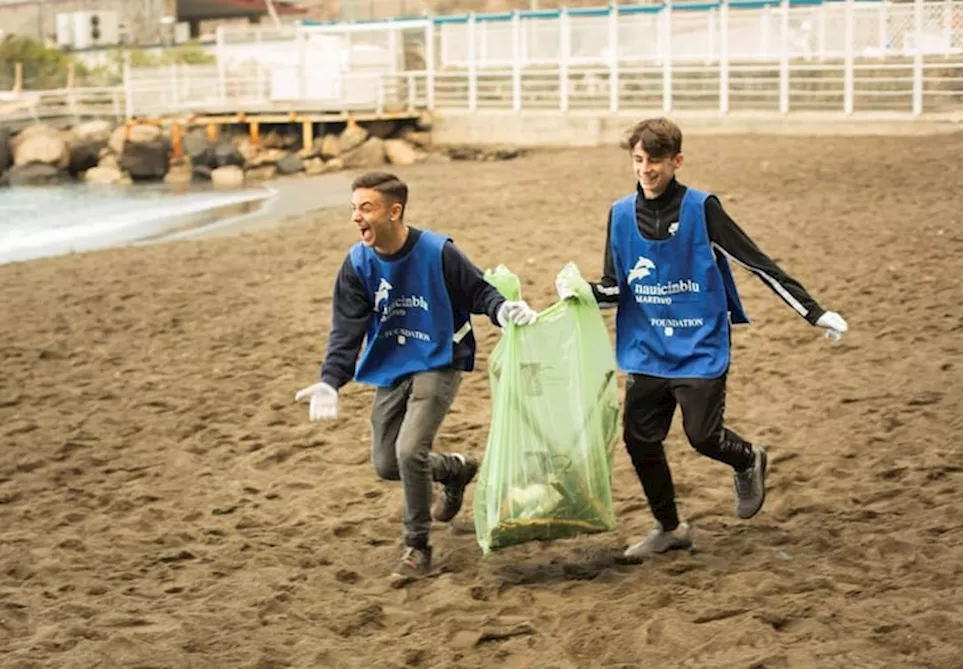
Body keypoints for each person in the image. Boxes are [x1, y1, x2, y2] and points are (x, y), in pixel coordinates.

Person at [555, 117, 849, 559]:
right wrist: (583, 292)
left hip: (699, 345)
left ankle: (748, 459)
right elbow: (616, 286)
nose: (646, 170)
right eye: (638, 160)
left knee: (703, 436)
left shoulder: (702, 208)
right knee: (640, 441)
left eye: (655, 160)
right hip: (647, 347)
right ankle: (670, 528)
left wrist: (814, 312)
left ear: (676, 161)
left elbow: (757, 262)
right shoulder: (618, 215)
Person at [296, 170, 537, 579]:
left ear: (395, 211)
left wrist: (502, 310)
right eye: (353, 208)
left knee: (410, 452)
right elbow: (347, 328)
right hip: (393, 363)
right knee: (387, 463)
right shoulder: (357, 263)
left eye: (366, 208)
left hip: (439, 357)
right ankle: (455, 469)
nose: (356, 217)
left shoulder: (437, 251)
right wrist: (330, 379)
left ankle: (416, 546)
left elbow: (479, 291)